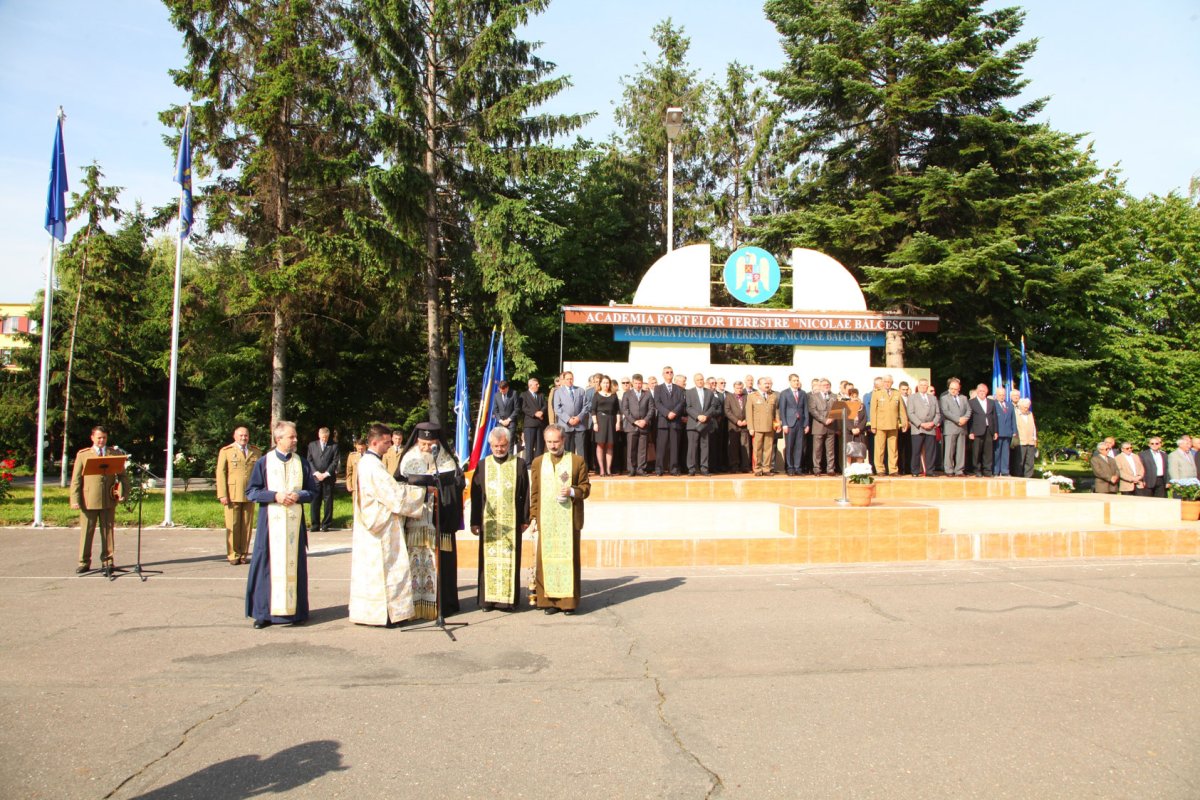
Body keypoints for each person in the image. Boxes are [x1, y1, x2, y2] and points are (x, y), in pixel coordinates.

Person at [349, 424, 424, 627]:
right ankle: (390, 614)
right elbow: (395, 497)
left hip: (369, 524)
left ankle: (372, 613)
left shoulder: (368, 463)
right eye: (386, 442)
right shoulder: (373, 465)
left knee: (372, 572)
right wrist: (422, 492)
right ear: (374, 442)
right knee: (390, 568)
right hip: (381, 526)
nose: (389, 445)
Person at [245, 420, 317, 629]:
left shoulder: (301, 462)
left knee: (295, 566)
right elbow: (251, 492)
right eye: (291, 437)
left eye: (295, 436)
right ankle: (263, 614)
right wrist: (275, 495)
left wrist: (299, 495)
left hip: (294, 525)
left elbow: (312, 491)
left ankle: (297, 612)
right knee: (267, 566)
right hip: (271, 524)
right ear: (278, 439)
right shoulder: (264, 462)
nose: (295, 440)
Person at [397, 422, 466, 618]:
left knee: (441, 564)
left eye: (431, 444)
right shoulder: (408, 459)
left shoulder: (446, 460)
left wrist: (444, 489)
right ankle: (414, 606)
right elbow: (399, 487)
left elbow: (457, 485)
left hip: (440, 521)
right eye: (423, 444)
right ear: (417, 441)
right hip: (416, 523)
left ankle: (443, 605)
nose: (427, 448)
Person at [530, 424, 590, 615]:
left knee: (568, 559)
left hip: (569, 520)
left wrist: (572, 491)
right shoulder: (539, 462)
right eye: (549, 442)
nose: (553, 446)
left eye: (556, 441)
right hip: (546, 520)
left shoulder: (576, 461)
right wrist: (533, 517)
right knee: (545, 560)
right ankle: (549, 602)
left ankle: (568, 603)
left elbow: (586, 488)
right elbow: (535, 492)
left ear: (563, 440)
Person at [469, 427, 530, 611]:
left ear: (508, 444)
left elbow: (525, 493)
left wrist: (525, 519)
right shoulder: (482, 465)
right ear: (490, 445)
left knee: (511, 560)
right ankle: (487, 601)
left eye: (503, 446)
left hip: (512, 522)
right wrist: (474, 521)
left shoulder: (519, 464)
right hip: (490, 523)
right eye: (496, 446)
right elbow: (476, 495)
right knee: (488, 561)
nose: (499, 449)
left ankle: (508, 600)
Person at [70, 426, 130, 576]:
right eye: (99, 438)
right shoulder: (83, 455)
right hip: (88, 500)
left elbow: (123, 476)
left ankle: (107, 562)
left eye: (104, 437)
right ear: (92, 438)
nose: (101, 440)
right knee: (87, 532)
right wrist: (75, 499)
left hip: (108, 499)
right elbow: (76, 480)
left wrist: (123, 492)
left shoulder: (114, 454)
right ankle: (83, 562)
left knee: (107, 531)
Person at [215, 425, 262, 566]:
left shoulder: (255, 452)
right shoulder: (226, 451)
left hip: (250, 493)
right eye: (241, 435)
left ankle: (243, 554)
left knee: (247, 525)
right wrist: (222, 494)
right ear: (235, 436)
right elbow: (220, 473)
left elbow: (260, 472)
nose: (243, 438)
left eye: (246, 435)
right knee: (233, 525)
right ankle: (233, 554)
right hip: (232, 494)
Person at [870, 374, 909, 476]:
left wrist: (904, 422)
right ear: (882, 383)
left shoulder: (896, 393)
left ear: (892, 383)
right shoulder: (877, 394)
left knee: (893, 448)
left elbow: (901, 410)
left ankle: (893, 469)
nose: (887, 384)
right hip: (880, 425)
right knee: (880, 449)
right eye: (885, 382)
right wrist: (873, 425)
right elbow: (873, 411)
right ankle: (880, 469)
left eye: (889, 382)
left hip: (893, 424)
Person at [685, 372, 720, 476]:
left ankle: (704, 468)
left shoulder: (709, 392)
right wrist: (698, 416)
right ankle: (691, 469)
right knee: (692, 448)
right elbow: (688, 407)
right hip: (693, 424)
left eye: (701, 379)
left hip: (706, 423)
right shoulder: (689, 392)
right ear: (694, 381)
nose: (700, 381)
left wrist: (706, 416)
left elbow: (713, 406)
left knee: (705, 447)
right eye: (698, 380)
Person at [653, 366, 685, 476]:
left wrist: (674, 413)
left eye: (671, 372)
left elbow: (681, 403)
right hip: (663, 421)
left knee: (674, 447)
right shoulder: (658, 388)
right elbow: (657, 403)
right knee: (661, 447)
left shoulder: (679, 389)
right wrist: (667, 413)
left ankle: (674, 469)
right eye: (667, 372)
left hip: (675, 421)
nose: (669, 374)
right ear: (663, 374)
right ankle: (659, 469)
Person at [621, 373, 654, 476]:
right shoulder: (627, 394)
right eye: (636, 383)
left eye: (640, 383)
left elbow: (651, 409)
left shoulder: (647, 394)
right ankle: (631, 469)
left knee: (642, 449)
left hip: (644, 426)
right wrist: (634, 421)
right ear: (632, 383)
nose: (638, 385)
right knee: (631, 449)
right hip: (632, 426)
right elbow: (625, 410)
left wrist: (645, 420)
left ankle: (641, 469)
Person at [905, 379, 940, 477]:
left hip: (931, 428)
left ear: (927, 387)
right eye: (921, 385)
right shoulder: (912, 397)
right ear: (918, 386)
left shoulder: (932, 398)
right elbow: (910, 413)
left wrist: (933, 423)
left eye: (925, 385)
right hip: (918, 428)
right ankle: (915, 471)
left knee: (930, 451)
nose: (923, 387)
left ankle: (930, 471)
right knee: (916, 450)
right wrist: (920, 424)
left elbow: (938, 413)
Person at [306, 427, 339, 531]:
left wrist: (326, 473)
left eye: (326, 437)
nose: (324, 439)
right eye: (323, 437)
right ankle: (315, 524)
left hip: (328, 478)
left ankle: (326, 524)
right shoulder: (312, 445)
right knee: (315, 501)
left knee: (328, 501)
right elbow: (309, 460)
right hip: (315, 478)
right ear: (319, 435)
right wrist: (316, 472)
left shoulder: (334, 446)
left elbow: (335, 461)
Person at [777, 374, 810, 476]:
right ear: (790, 381)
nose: (796, 382)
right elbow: (782, 410)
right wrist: (784, 424)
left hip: (800, 424)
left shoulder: (803, 393)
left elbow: (805, 409)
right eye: (794, 380)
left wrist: (806, 424)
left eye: (797, 380)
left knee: (799, 447)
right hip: (789, 424)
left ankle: (797, 467)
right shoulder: (784, 393)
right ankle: (790, 467)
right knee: (790, 446)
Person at [551, 371, 590, 456]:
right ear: (564, 380)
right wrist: (568, 419)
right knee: (568, 451)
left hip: (579, 425)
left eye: (571, 379)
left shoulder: (580, 390)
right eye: (567, 379)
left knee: (581, 450)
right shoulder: (558, 392)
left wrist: (578, 418)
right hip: (566, 426)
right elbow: (557, 408)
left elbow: (586, 406)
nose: (569, 381)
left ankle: (581, 469)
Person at [748, 377, 780, 476]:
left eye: (768, 383)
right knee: (757, 449)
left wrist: (778, 424)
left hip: (770, 427)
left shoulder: (773, 396)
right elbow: (749, 413)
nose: (767, 385)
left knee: (768, 449)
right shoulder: (752, 396)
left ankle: (766, 469)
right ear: (759, 385)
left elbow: (776, 412)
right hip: (757, 427)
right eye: (764, 383)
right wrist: (751, 427)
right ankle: (757, 469)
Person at [939, 379, 971, 476]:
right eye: (951, 388)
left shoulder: (964, 398)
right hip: (951, 427)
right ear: (949, 388)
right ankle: (948, 470)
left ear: (959, 389)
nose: (953, 391)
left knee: (961, 450)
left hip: (962, 427)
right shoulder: (944, 398)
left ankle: (959, 470)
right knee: (949, 450)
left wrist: (965, 418)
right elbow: (945, 411)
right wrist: (958, 419)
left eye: (955, 389)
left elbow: (969, 410)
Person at [591, 375, 620, 476]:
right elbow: (593, 410)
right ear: (600, 384)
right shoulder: (597, 394)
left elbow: (618, 410)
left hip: (612, 420)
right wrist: (595, 423)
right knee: (600, 445)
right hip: (600, 421)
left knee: (610, 445)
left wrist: (618, 422)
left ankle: (608, 469)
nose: (606, 384)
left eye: (607, 382)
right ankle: (602, 469)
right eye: (604, 382)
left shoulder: (613, 395)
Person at [808, 379, 837, 475]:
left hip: (831, 427)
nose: (827, 386)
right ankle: (817, 469)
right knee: (817, 450)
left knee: (830, 450)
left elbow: (837, 409)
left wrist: (831, 418)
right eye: (824, 385)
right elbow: (813, 410)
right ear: (820, 386)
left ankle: (830, 469)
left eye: (828, 384)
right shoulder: (814, 397)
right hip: (819, 426)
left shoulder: (834, 396)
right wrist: (824, 420)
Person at [724, 380, 751, 473]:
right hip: (733, 426)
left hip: (745, 425)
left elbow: (750, 409)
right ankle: (734, 466)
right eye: (737, 388)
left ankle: (745, 466)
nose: (739, 390)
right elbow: (727, 411)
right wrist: (737, 421)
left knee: (745, 446)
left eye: (740, 388)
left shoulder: (747, 397)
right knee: (733, 447)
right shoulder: (729, 397)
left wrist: (746, 420)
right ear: (734, 388)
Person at [520, 377, 547, 461]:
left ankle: (538, 462)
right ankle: (528, 464)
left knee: (540, 445)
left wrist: (541, 412)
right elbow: (524, 408)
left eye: (538, 384)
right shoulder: (524, 395)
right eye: (536, 384)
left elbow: (545, 405)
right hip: (530, 424)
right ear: (530, 385)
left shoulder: (541, 395)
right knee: (529, 446)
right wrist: (535, 413)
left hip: (540, 424)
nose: (538, 386)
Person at [992, 387, 1017, 476]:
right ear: (996, 395)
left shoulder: (1009, 405)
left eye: (1003, 395)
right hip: (998, 433)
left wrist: (1014, 430)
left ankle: (1005, 470)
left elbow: (1013, 419)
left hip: (1008, 432)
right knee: (997, 452)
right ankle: (995, 470)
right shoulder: (993, 404)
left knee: (1006, 453)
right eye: (1000, 395)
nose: (1002, 397)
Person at [1013, 398, 1037, 477]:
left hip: (1030, 441)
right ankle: (1018, 476)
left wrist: (1035, 438)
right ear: (1020, 406)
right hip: (1020, 441)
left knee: (1030, 461)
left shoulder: (1030, 414)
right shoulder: (1015, 413)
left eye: (1027, 407)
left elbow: (1033, 427)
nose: (1026, 409)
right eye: (1025, 407)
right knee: (1019, 461)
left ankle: (1029, 477)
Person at [844, 388, 867, 463]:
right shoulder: (846, 405)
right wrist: (852, 429)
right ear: (849, 396)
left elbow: (864, 418)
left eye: (856, 396)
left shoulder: (862, 406)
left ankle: (859, 471)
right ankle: (849, 469)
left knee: (859, 451)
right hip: (850, 432)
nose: (854, 398)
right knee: (849, 451)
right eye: (852, 396)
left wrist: (859, 428)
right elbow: (845, 419)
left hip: (860, 432)